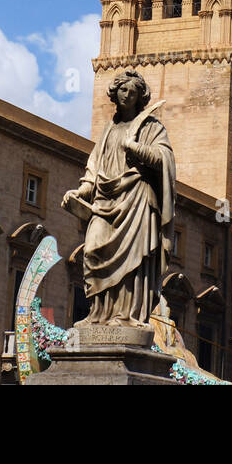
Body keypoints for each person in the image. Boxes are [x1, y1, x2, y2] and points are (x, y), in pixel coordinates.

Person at [63, 71, 175, 326]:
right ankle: (98, 314)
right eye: (123, 90)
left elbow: (164, 160)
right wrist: (81, 192)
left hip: (136, 200)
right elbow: (95, 165)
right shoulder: (109, 129)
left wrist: (135, 147)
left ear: (139, 98)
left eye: (133, 92)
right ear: (116, 93)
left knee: (132, 262)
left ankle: (125, 316)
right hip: (105, 201)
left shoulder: (152, 127)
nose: (127, 95)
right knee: (92, 251)